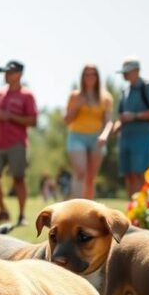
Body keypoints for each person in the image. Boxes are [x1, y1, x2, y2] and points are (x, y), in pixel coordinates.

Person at [0, 60, 37, 226]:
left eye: (10, 72)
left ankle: (22, 215)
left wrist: (13, 117)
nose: (6, 75)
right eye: (5, 73)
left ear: (19, 74)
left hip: (17, 143)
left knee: (19, 179)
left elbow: (33, 120)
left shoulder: (27, 95)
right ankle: (3, 210)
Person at [115, 57, 149, 197]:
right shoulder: (124, 92)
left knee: (138, 172)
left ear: (137, 70)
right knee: (128, 173)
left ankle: (141, 206)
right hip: (125, 137)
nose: (124, 75)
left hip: (141, 137)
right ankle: (131, 206)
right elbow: (121, 117)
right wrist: (115, 127)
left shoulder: (147, 88)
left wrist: (135, 116)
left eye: (127, 71)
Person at [63, 64, 114, 199]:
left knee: (90, 178)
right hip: (77, 136)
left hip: (97, 138)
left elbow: (108, 121)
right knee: (80, 172)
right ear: (82, 77)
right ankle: (75, 208)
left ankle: (88, 212)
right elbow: (67, 120)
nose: (90, 77)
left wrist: (104, 135)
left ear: (97, 77)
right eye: (87, 74)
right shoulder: (75, 96)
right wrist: (78, 105)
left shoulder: (106, 98)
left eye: (93, 74)